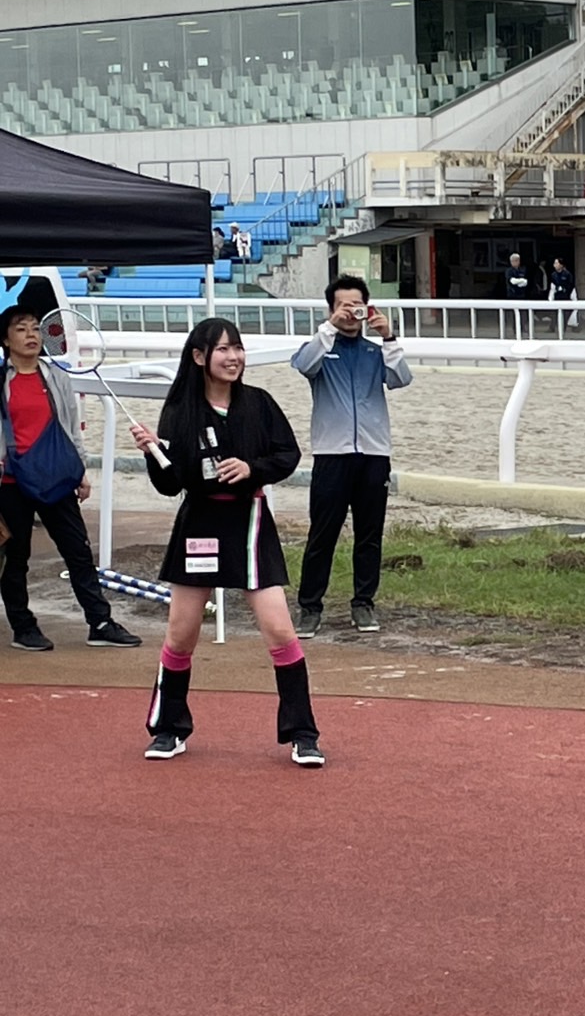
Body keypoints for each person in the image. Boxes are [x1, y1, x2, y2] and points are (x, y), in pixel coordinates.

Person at [129, 318, 323, 766]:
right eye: (223, 349)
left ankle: (303, 734)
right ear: (199, 357)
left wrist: (252, 469)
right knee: (181, 635)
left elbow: (287, 455)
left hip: (250, 522)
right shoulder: (180, 410)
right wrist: (153, 453)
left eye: (238, 348)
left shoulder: (259, 402)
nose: (234, 357)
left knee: (280, 630)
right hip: (199, 523)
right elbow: (170, 484)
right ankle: (168, 729)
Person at [0, 306, 141, 652]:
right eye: (21, 329)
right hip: (11, 483)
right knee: (15, 558)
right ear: (5, 340)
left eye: (36, 328)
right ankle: (23, 627)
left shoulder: (56, 377)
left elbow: (71, 427)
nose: (32, 335)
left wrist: (81, 470)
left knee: (78, 552)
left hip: (57, 478)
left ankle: (100, 623)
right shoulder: (1, 381)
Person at [292, 274, 413, 637]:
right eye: (342, 306)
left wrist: (388, 336)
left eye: (356, 305)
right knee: (322, 535)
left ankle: (363, 603)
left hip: (374, 454)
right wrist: (330, 327)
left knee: (369, 535)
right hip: (332, 454)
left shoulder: (375, 352)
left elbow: (401, 378)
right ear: (331, 309)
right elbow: (304, 364)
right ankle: (310, 607)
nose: (350, 312)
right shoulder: (319, 349)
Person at [548, 257, 576, 332]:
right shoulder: (553, 275)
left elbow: (571, 286)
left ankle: (563, 328)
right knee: (555, 314)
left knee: (565, 314)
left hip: (566, 297)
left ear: (561, 265)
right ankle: (552, 327)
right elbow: (552, 287)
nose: (555, 265)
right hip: (557, 297)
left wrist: (565, 290)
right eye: (554, 263)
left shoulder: (567, 274)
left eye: (556, 263)